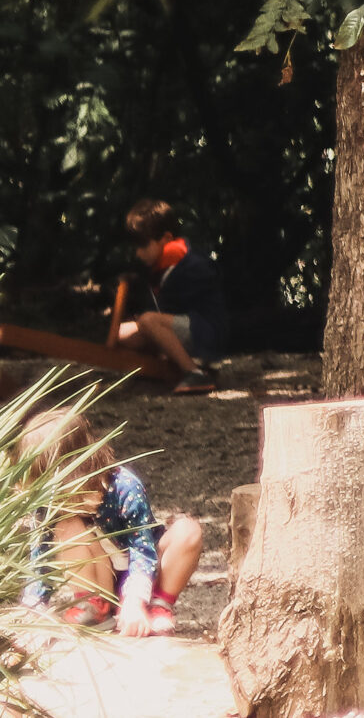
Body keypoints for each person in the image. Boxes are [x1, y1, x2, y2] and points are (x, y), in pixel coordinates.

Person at [18, 408, 204, 636]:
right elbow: (40, 557)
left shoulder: (124, 486)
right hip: (102, 577)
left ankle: (157, 605)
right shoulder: (49, 502)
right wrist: (33, 609)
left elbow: (141, 547)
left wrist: (135, 600)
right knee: (67, 526)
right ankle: (93, 603)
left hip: (144, 576)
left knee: (188, 530)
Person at [116, 200, 224, 393]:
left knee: (148, 320)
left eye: (143, 245)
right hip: (186, 328)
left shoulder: (189, 263)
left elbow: (178, 308)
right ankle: (166, 366)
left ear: (165, 239)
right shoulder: (161, 267)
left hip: (205, 332)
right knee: (121, 333)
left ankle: (195, 373)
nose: (138, 253)